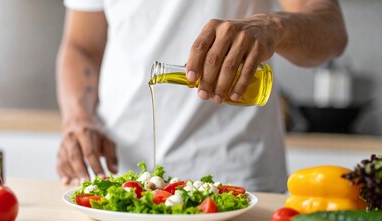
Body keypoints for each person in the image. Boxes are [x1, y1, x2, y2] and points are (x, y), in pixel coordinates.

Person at [56, 0, 347, 192]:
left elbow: (332, 30)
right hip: (120, 174)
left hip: (237, 176)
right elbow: (81, 45)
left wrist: (274, 27)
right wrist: (78, 119)